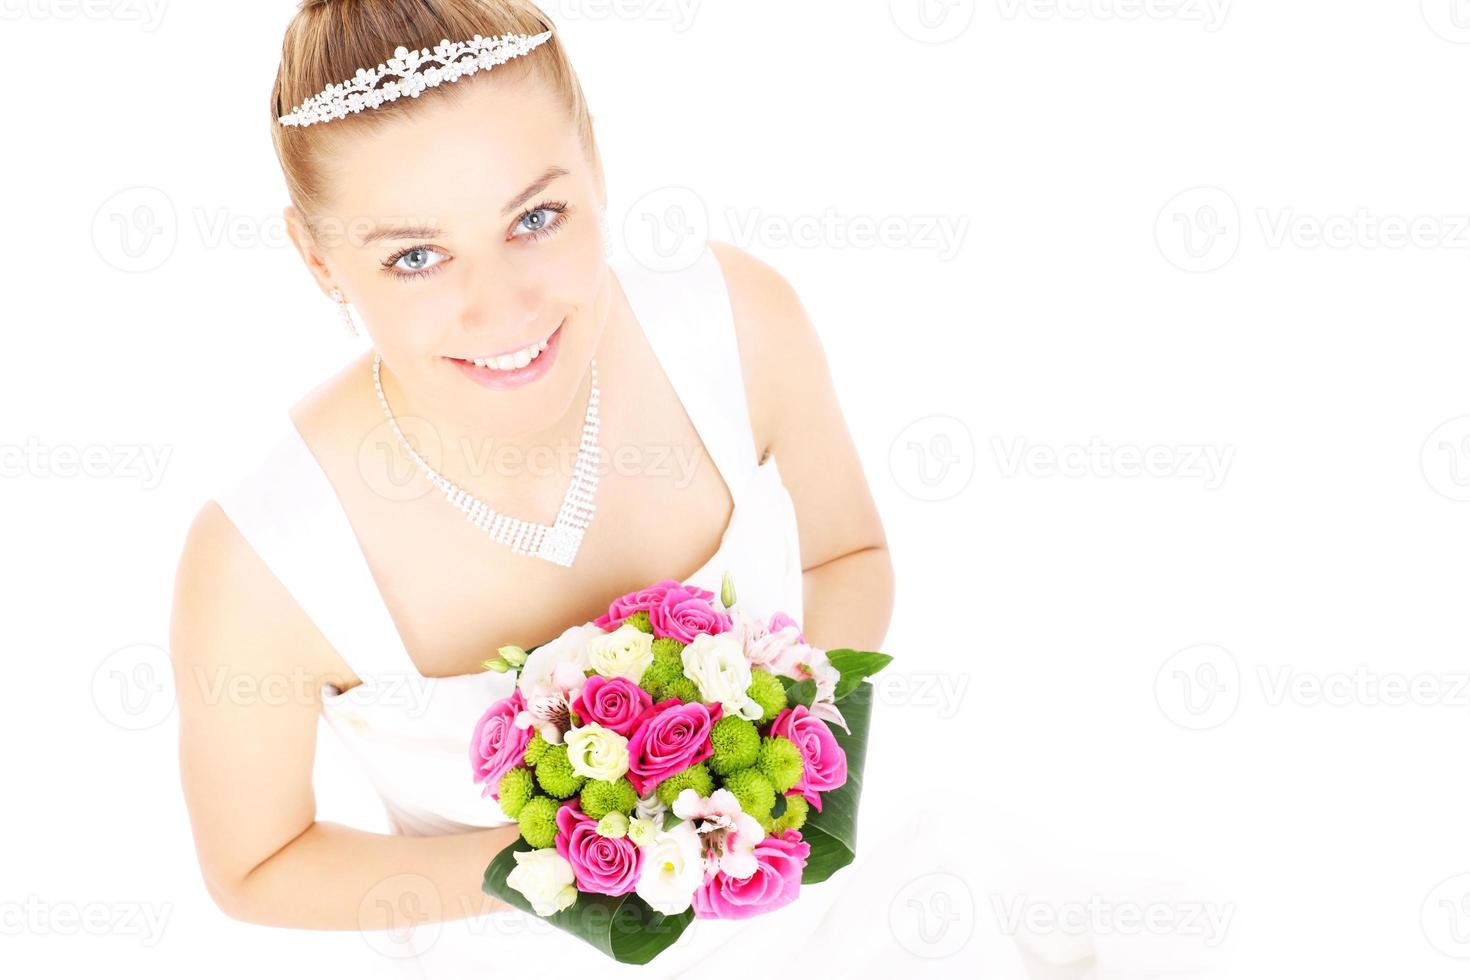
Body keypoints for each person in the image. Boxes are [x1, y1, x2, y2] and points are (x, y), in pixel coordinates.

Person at [168, 1, 893, 974]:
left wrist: (767, 745)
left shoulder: (738, 323)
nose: (503, 306)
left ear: (595, 161)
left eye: (536, 217)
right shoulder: (256, 562)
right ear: (316, 258)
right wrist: (579, 854)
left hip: (835, 932)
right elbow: (255, 864)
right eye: (415, 256)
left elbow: (846, 555)